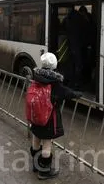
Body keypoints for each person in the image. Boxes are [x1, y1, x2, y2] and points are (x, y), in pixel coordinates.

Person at [28, 52, 82, 180]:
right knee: (47, 144)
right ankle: (44, 171)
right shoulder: (54, 83)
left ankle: (36, 165)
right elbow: (67, 93)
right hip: (48, 119)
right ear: (54, 65)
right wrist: (77, 94)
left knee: (36, 139)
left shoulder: (36, 77)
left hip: (36, 117)